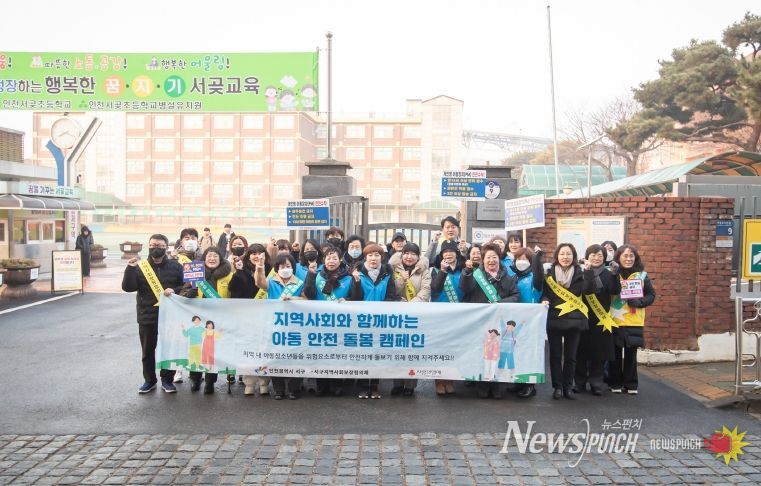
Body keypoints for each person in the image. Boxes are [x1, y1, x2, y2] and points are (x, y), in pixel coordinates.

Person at [121, 234, 184, 394]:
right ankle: (149, 380)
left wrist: (174, 290)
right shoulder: (140, 266)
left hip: (170, 316)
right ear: (148, 246)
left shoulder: (176, 266)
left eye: (160, 246)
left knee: (169, 349)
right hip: (147, 315)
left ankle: (167, 380)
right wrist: (130, 269)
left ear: (166, 247)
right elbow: (128, 287)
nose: (156, 248)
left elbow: (186, 286)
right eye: (153, 245)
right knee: (148, 351)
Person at [460, 243, 520, 398]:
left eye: (494, 257)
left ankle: (497, 386)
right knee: (482, 354)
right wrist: (466, 272)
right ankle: (483, 386)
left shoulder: (507, 277)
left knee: (497, 355)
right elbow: (465, 288)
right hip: (480, 322)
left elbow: (515, 296)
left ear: (499, 259)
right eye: (488, 257)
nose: (491, 260)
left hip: (500, 322)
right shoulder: (475, 275)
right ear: (482, 259)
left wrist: (499, 303)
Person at [541, 243, 594, 400]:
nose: (565, 257)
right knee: (555, 355)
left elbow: (588, 291)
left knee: (571, 357)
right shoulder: (549, 272)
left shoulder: (580, 272)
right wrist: (544, 299)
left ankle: (568, 387)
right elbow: (544, 292)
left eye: (568, 254)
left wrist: (589, 272)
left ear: (574, 256)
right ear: (557, 256)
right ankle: (557, 387)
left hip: (574, 320)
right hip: (555, 318)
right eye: (562, 254)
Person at [179, 247, 234, 394]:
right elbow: (183, 293)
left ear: (221, 259)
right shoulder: (195, 273)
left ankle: (210, 381)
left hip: (217, 320)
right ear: (204, 258)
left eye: (215, 256)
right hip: (197, 320)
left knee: (211, 352)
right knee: (196, 350)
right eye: (209, 256)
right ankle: (195, 379)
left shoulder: (229, 275)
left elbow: (235, 295)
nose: (212, 258)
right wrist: (188, 292)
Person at [303, 245, 354, 396]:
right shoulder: (316, 275)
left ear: (340, 260)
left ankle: (336, 384)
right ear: (324, 260)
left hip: (341, 322)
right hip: (320, 321)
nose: (331, 261)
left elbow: (355, 297)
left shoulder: (348, 277)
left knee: (338, 353)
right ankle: (321, 385)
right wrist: (311, 275)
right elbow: (309, 294)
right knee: (321, 353)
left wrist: (348, 300)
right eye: (328, 258)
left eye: (334, 258)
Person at [350, 243, 399, 399]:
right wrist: (357, 282)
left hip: (380, 320)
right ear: (365, 257)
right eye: (370, 255)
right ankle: (363, 386)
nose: (373, 258)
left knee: (377, 353)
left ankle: (375, 386)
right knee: (363, 353)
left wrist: (382, 311)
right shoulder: (358, 273)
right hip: (362, 321)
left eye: (377, 255)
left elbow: (391, 296)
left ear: (381, 257)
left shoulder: (387, 274)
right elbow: (355, 298)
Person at [255, 253, 305, 400]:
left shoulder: (300, 283)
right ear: (277, 268)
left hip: (295, 326)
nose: (285, 269)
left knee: (296, 357)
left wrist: (294, 299)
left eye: (288, 266)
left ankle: (294, 389)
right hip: (275, 326)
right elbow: (259, 283)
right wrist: (260, 267)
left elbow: (307, 299)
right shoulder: (271, 282)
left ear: (293, 267)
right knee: (275, 356)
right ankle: (278, 389)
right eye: (282, 266)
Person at [609, 244, 655, 395]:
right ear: (618, 258)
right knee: (615, 353)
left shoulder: (642, 275)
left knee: (631, 354)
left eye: (631, 256)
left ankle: (631, 384)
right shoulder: (612, 273)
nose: (628, 259)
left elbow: (651, 295)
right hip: (614, 319)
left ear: (636, 258)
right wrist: (614, 275)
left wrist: (640, 302)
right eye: (625, 256)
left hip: (634, 320)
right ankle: (615, 382)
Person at [576, 244, 622, 396]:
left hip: (601, 318)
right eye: (593, 255)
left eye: (600, 256)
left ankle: (596, 383)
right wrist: (588, 272)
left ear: (604, 258)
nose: (596, 258)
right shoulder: (580, 272)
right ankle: (579, 382)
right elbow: (585, 290)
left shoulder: (608, 274)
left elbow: (615, 291)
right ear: (587, 257)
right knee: (580, 351)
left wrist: (615, 275)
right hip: (582, 316)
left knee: (599, 353)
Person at [229, 243, 272, 396]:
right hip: (246, 317)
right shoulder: (242, 269)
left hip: (266, 317)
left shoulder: (271, 270)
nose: (257, 256)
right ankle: (249, 383)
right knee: (247, 350)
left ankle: (264, 382)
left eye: (260, 253)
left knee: (264, 350)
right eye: (253, 253)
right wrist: (239, 272)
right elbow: (233, 289)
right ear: (248, 256)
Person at [388, 242, 431, 396]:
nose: (409, 257)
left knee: (413, 350)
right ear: (401, 255)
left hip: (415, 315)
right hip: (397, 315)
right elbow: (391, 291)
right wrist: (401, 280)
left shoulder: (424, 271)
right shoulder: (393, 269)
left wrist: (411, 306)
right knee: (397, 349)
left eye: (413, 254)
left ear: (418, 256)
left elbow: (425, 291)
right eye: (406, 253)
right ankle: (397, 384)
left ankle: (410, 386)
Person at [505, 246, 545, 398]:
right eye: (519, 259)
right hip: (516, 321)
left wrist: (537, 258)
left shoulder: (534, 278)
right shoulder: (514, 277)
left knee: (530, 353)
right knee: (518, 352)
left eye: (525, 259)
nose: (521, 262)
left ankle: (530, 385)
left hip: (531, 321)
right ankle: (519, 382)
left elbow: (539, 276)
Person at [429, 240, 465, 395]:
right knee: (440, 349)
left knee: (454, 349)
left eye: (451, 251)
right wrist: (443, 271)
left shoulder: (463, 270)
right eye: (445, 252)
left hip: (459, 316)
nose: (448, 254)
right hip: (440, 316)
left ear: (456, 253)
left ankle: (450, 380)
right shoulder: (435, 271)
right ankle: (439, 381)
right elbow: (435, 289)